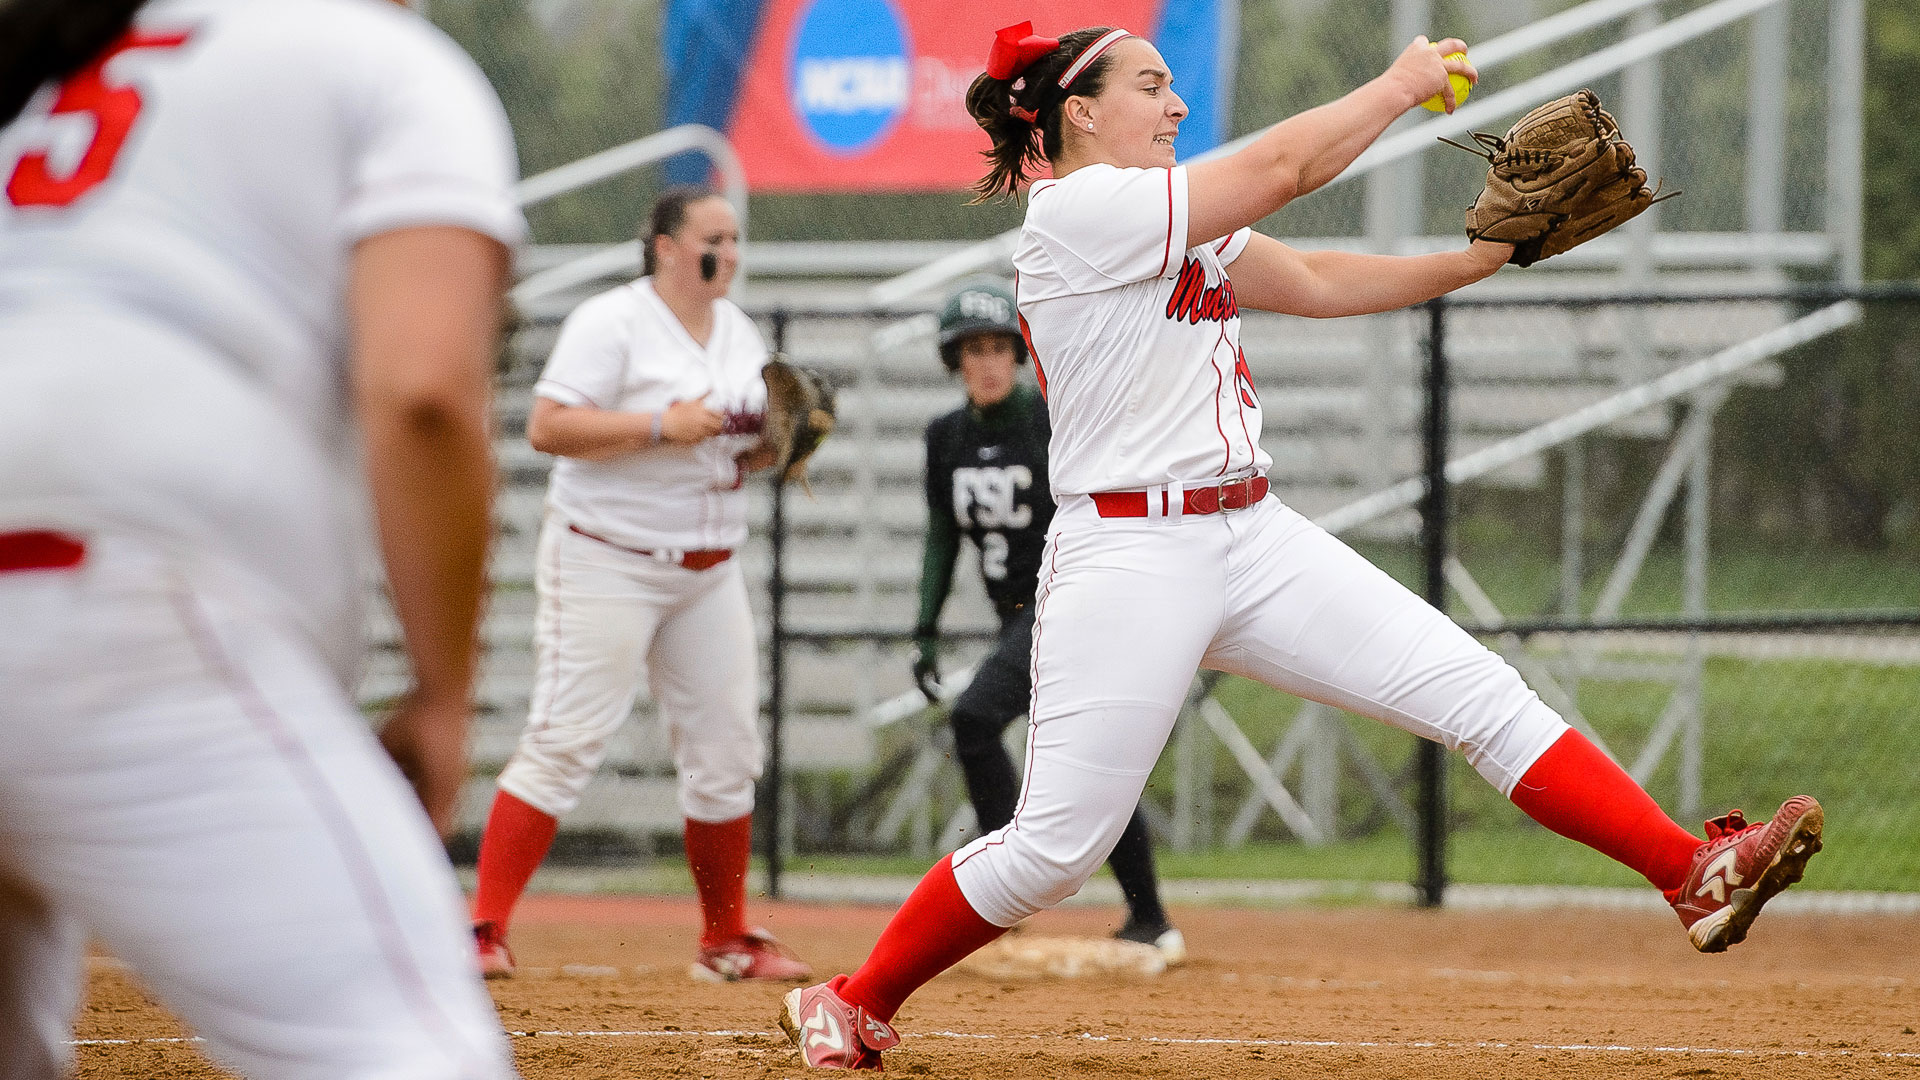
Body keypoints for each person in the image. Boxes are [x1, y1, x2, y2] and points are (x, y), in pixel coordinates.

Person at [779, 23, 1825, 1069]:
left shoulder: (1166, 216)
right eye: (1151, 85)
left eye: (1174, 84)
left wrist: (1480, 259)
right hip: (1130, 555)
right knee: (1056, 850)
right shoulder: (1081, 211)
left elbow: (1317, 280)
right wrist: (1401, 84)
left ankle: (1689, 874)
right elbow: (1285, 168)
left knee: (1478, 693)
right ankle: (854, 1000)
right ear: (1080, 112)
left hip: (1251, 533)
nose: (1177, 104)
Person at [0, 0, 526, 1077]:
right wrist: (442, 693)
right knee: (407, 1052)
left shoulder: (48, 67)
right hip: (116, 586)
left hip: (75, 550)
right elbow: (423, 390)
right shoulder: (381, 60)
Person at [468, 186, 811, 984]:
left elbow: (737, 447)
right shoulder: (613, 322)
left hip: (707, 570)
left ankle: (725, 940)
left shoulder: (738, 332)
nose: (728, 254)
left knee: (726, 752)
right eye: (712, 240)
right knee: (565, 738)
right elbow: (548, 426)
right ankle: (482, 929)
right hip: (608, 557)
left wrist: (772, 452)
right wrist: (659, 424)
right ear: (664, 247)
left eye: (734, 240)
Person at [912, 275, 1183, 962]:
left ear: (1018, 354)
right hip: (1018, 618)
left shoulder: (1048, 417)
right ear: (954, 360)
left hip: (1071, 602)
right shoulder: (945, 436)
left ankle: (1003, 886)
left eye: (999, 348)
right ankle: (1148, 915)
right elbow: (942, 535)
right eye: (972, 350)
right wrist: (925, 630)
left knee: (976, 719)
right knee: (1091, 760)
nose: (988, 363)